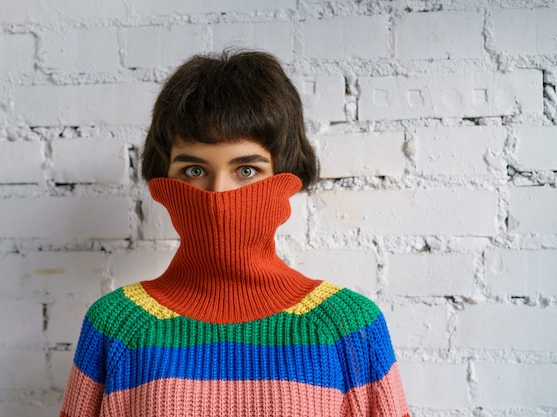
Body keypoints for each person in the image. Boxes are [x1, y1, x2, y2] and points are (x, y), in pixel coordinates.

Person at [60, 50, 410, 417]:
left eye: (246, 171)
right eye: (194, 171)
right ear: (164, 181)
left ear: (284, 177)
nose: (218, 196)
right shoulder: (117, 326)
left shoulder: (348, 327)